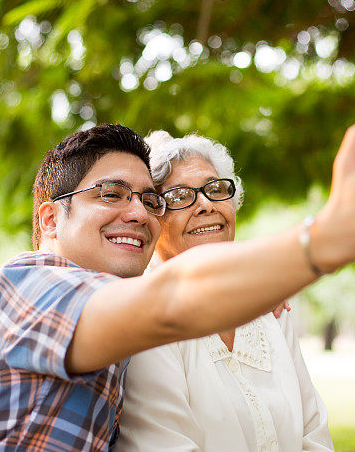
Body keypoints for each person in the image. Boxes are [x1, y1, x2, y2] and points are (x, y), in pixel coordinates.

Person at [0, 117, 355, 451]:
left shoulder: (242, 314)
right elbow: (170, 303)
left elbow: (314, 434)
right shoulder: (25, 284)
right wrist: (327, 239)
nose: (137, 212)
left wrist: (264, 287)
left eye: (149, 200)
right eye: (111, 193)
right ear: (51, 220)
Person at [116, 131, 332, 451]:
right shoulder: (145, 315)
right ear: (152, 218)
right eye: (178, 196)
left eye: (215, 189)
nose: (205, 205)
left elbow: (314, 432)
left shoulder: (269, 306)